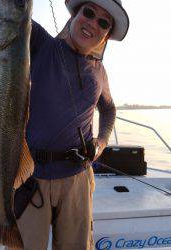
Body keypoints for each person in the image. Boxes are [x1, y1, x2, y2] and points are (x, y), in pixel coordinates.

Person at [10, 0, 129, 249]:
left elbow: (108, 109)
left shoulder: (100, 71)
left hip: (78, 178)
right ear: (75, 14)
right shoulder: (42, 44)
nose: (93, 23)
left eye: (103, 22)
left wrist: (102, 142)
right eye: (88, 12)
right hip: (31, 177)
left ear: (106, 34)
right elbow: (11, 11)